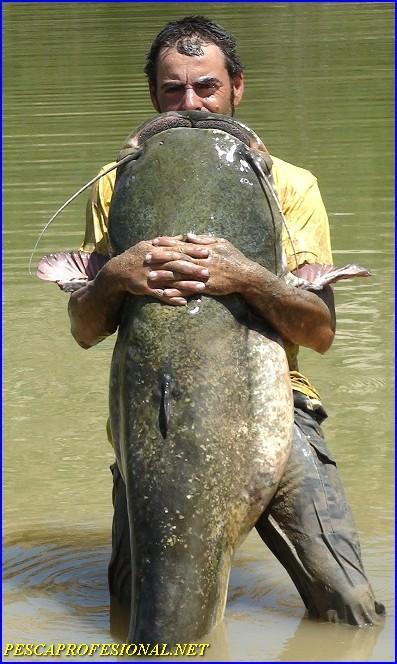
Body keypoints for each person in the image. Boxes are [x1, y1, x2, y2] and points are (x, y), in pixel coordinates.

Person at [68, 16, 384, 626]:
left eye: (206, 87)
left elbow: (319, 332)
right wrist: (116, 276)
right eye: (172, 90)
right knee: (142, 614)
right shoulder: (116, 185)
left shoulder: (291, 185)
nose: (191, 104)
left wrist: (247, 277)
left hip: (276, 407)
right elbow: (84, 329)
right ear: (152, 95)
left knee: (350, 611)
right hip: (157, 416)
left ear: (237, 86)